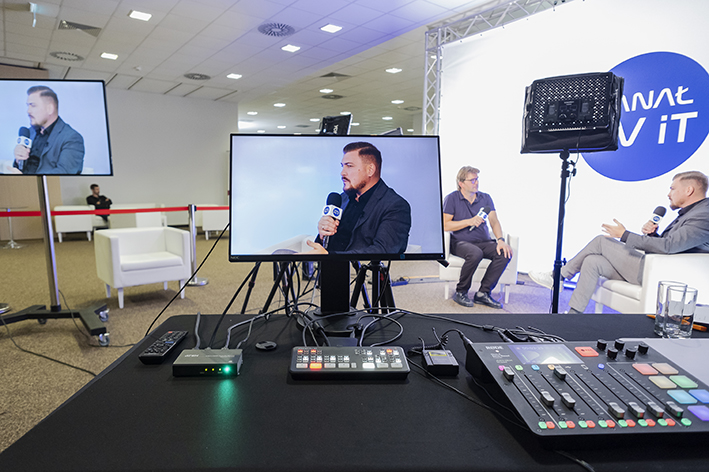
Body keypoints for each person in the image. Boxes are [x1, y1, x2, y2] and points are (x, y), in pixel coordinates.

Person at [529, 170, 709, 313]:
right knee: (592, 261)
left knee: (601, 241)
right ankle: (573, 315)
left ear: (689, 190)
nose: (668, 194)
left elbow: (669, 246)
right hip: (655, 267)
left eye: (672, 189)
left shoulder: (703, 215)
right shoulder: (693, 212)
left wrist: (625, 235)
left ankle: (558, 276)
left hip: (662, 275)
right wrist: (653, 235)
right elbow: (673, 245)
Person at [305, 141, 411, 255]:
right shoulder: (342, 199)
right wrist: (323, 236)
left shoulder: (395, 206)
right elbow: (325, 248)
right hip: (326, 265)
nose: (342, 173)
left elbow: (383, 251)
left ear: (370, 170)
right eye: (342, 166)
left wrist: (330, 257)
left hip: (360, 267)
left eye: (349, 166)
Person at [443, 166, 512, 309]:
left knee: (504, 253)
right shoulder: (452, 198)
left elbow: (494, 221)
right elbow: (445, 225)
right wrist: (468, 221)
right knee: (475, 253)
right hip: (460, 242)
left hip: (484, 241)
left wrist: (500, 240)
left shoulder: (485, 198)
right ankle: (461, 292)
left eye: (477, 179)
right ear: (461, 183)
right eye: (472, 180)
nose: (476, 182)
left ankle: (483, 293)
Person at [12, 85, 84, 174]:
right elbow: (20, 169)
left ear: (49, 108)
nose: (28, 111)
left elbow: (64, 174)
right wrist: (18, 161)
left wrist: (27, 179)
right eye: (28, 106)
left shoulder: (72, 138)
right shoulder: (30, 132)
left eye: (33, 105)